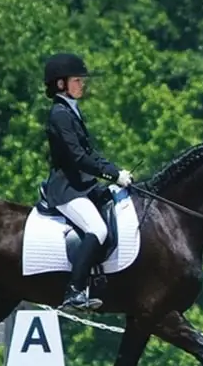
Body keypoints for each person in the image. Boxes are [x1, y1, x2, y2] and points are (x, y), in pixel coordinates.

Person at [41, 52, 134, 311]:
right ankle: (74, 290)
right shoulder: (59, 114)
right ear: (61, 84)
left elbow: (91, 154)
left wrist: (116, 171)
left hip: (82, 185)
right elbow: (78, 157)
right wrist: (112, 175)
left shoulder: (72, 110)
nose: (82, 84)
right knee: (98, 229)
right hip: (66, 189)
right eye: (77, 80)